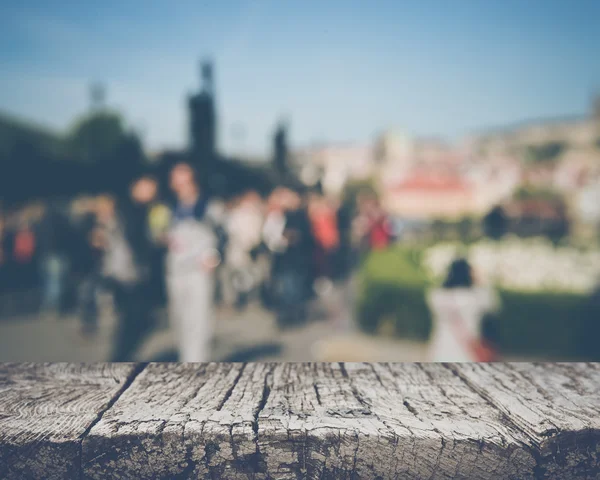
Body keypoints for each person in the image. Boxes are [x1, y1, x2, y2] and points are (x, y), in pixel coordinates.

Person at [167, 162, 221, 362]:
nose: (179, 185)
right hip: (175, 271)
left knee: (198, 321)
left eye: (184, 180)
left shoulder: (208, 206)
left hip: (198, 272)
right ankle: (184, 361)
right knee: (179, 320)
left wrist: (213, 256)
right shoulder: (170, 208)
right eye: (176, 180)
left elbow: (222, 234)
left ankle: (197, 365)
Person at [93, 188, 155, 362]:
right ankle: (119, 356)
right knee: (121, 319)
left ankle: (123, 354)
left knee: (133, 319)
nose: (104, 209)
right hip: (114, 277)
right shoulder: (102, 224)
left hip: (130, 274)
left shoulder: (121, 220)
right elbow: (98, 247)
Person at [426, 257, 500, 362]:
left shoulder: (437, 296)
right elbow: (494, 306)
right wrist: (481, 280)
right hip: (468, 349)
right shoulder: (477, 297)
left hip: (441, 347)